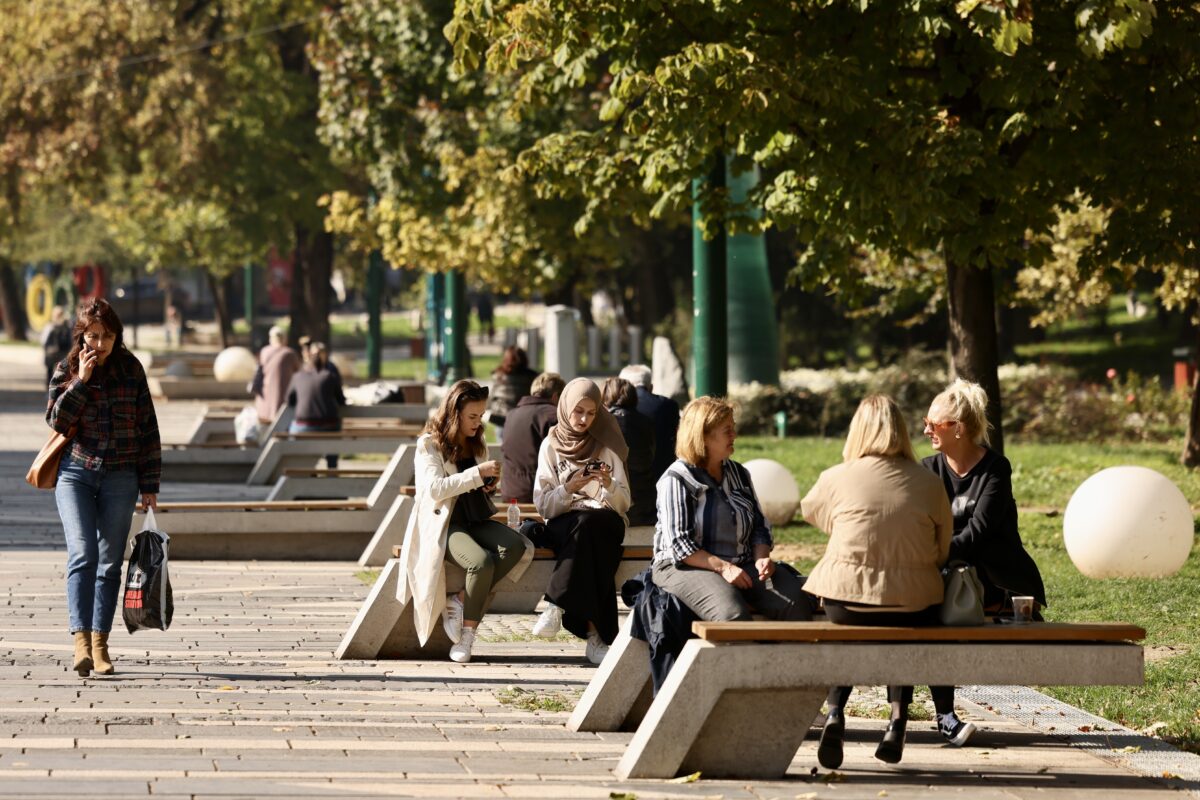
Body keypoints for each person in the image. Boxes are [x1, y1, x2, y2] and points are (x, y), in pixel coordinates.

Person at [801, 394, 952, 768]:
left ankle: (835, 711)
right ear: (902, 431)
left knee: (850, 628)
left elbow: (813, 513)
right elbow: (943, 548)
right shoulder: (928, 482)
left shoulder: (836, 477)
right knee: (900, 622)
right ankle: (897, 718)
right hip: (915, 601)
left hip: (846, 600)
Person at [919, 379, 1048, 746]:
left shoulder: (995, 469)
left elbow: (978, 534)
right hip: (945, 572)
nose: (926, 429)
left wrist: (931, 557)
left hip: (995, 580)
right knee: (922, 614)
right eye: (926, 422)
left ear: (957, 428)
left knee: (934, 609)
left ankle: (940, 715)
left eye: (933, 423)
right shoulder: (928, 468)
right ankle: (941, 716)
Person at [45, 299, 161, 678]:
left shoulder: (131, 370)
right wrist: (81, 380)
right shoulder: (67, 367)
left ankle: (100, 644)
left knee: (110, 562)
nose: (100, 343)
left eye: (107, 336)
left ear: (117, 336)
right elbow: (56, 420)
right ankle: (80, 641)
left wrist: (150, 484)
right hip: (76, 473)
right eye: (93, 335)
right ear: (81, 335)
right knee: (83, 554)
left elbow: (148, 429)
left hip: (121, 476)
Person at [394, 380, 532, 663]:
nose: (477, 422)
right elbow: (433, 490)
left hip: (474, 517)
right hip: (444, 523)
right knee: (480, 562)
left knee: (515, 546)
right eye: (472, 416)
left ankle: (459, 600)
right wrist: (476, 475)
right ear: (453, 413)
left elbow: (477, 481)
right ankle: (468, 637)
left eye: (480, 416)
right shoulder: (428, 445)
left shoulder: (476, 442)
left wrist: (488, 484)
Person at [652, 396, 810, 622]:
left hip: (742, 563)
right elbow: (681, 545)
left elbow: (759, 523)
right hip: (684, 566)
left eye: (733, 428)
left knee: (796, 604)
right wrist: (723, 568)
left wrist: (761, 558)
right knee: (732, 614)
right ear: (704, 437)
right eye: (727, 430)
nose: (734, 435)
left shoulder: (738, 473)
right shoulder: (677, 478)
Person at [532, 377, 631, 664]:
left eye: (591, 412)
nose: (585, 419)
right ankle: (597, 638)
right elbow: (544, 506)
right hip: (567, 521)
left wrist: (609, 484)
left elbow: (624, 504)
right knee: (586, 535)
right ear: (565, 407)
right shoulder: (550, 446)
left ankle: (554, 604)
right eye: (579, 412)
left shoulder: (608, 442)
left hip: (605, 520)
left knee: (590, 527)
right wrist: (570, 488)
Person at [500, 371, 565, 503]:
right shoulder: (553, 416)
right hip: (538, 493)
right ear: (555, 396)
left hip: (510, 491)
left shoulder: (511, 415)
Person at [602, 377, 656, 526]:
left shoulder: (603, 424)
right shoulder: (646, 422)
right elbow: (651, 456)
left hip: (614, 505)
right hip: (645, 504)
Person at [286, 342, 345, 468]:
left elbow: (289, 400)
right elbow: (341, 401)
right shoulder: (330, 376)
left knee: (291, 430)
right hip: (329, 425)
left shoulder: (297, 376)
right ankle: (332, 467)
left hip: (303, 425)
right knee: (334, 435)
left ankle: (307, 468)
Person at [618, 364, 680, 484]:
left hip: (627, 483)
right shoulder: (669, 406)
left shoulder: (617, 410)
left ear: (621, 387)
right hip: (665, 478)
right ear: (651, 387)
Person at [254, 325, 300, 426]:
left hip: (264, 399)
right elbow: (298, 373)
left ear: (271, 338)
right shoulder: (290, 353)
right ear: (285, 338)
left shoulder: (264, 351)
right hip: (283, 399)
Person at [488, 346, 538, 436]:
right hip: (524, 420)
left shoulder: (498, 376)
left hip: (502, 420)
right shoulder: (532, 377)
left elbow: (492, 398)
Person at [40, 305, 73, 388]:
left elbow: (43, 340)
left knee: (53, 372)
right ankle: (54, 388)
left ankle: (51, 389)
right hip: (60, 353)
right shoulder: (65, 326)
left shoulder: (51, 326)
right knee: (57, 373)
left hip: (53, 353)